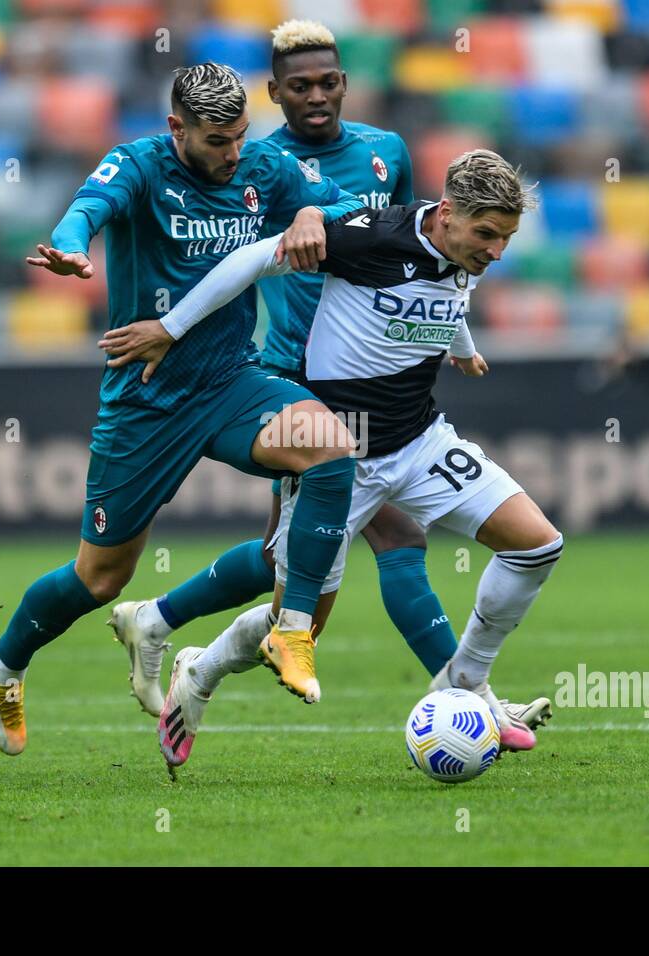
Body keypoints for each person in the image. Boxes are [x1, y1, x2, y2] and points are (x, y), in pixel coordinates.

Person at [101, 150, 561, 769]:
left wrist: (463, 347)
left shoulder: (463, 251)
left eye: (506, 238)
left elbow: (447, 295)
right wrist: (172, 327)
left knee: (536, 544)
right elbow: (251, 259)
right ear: (446, 213)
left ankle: (465, 684)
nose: (497, 251)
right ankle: (199, 671)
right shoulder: (371, 237)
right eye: (487, 235)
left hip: (421, 441)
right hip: (338, 454)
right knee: (295, 630)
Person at [0, 63, 368, 756]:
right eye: (217, 141)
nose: (232, 153)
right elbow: (87, 209)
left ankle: (293, 630)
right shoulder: (139, 166)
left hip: (231, 382)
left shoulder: (265, 166)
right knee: (100, 577)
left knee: (331, 448)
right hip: (147, 399)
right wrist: (69, 246)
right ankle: (1, 663)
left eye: (239, 136)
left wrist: (309, 210)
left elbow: (346, 210)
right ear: (177, 128)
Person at [107, 19, 472, 717]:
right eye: (298, 86)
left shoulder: (384, 152)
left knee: (302, 554)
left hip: (369, 375)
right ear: (272, 92)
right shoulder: (256, 167)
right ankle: (468, 695)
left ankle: (158, 621)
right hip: (294, 375)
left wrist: (451, 336)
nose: (316, 96)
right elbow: (227, 266)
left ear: (344, 83)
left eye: (328, 82)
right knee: (363, 540)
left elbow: (418, 253)